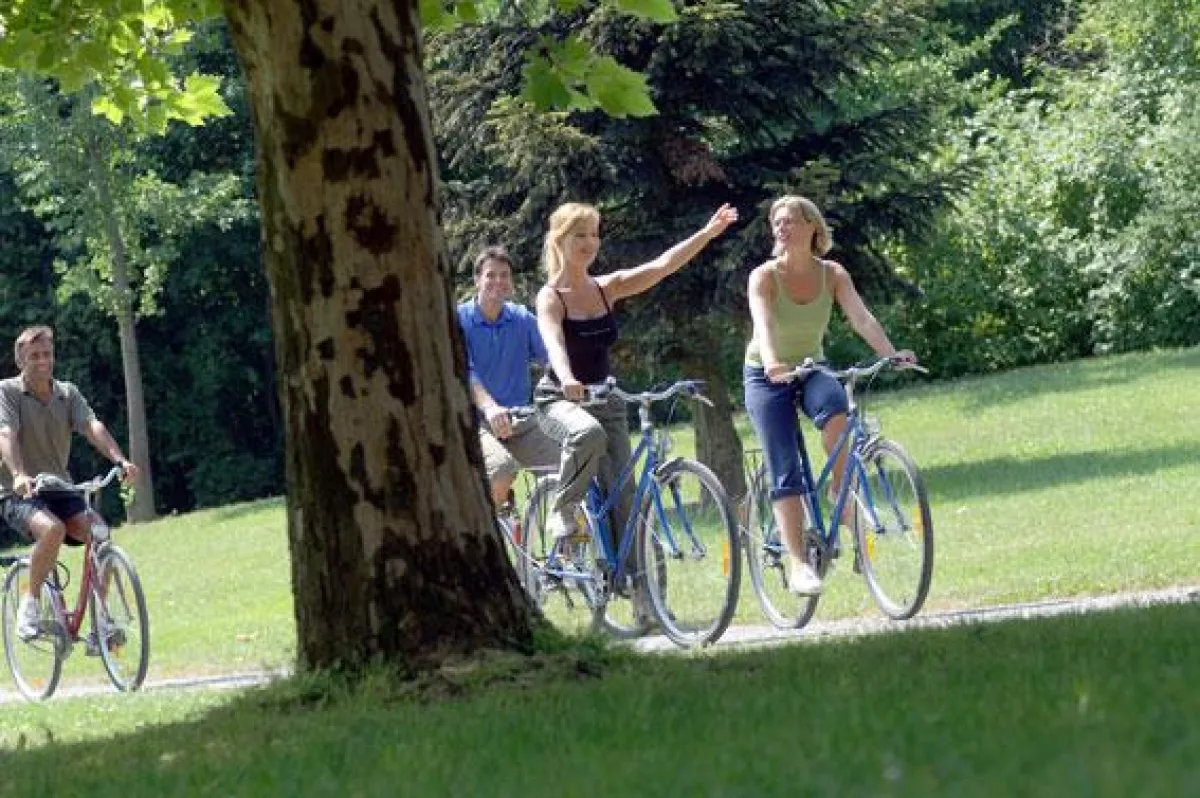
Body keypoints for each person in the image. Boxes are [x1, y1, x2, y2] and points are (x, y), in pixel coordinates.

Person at [534, 201, 738, 623]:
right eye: (579, 235)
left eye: (593, 234)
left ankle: (647, 602)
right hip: (559, 397)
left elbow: (662, 266)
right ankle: (563, 509)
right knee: (586, 435)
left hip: (605, 399)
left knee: (627, 498)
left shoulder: (606, 288)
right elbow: (553, 341)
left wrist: (706, 233)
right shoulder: (550, 296)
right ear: (560, 241)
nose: (589, 243)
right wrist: (568, 377)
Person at [743, 196, 916, 596]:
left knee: (837, 407)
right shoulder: (764, 277)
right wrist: (771, 363)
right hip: (765, 375)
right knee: (785, 468)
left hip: (809, 366)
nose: (781, 228)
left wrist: (890, 354)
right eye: (777, 222)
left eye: (789, 221)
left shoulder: (832, 274)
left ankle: (841, 491)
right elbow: (763, 326)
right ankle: (799, 563)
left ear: (812, 228)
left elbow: (860, 317)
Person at [0, 325, 139, 640]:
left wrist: (120, 460)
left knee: (101, 534)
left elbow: (92, 426)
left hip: (60, 487)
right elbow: (5, 434)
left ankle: (101, 622)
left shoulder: (67, 393)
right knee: (52, 530)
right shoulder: (8, 391)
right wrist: (19, 474)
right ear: (20, 360)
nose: (42, 361)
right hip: (18, 493)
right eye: (34, 355)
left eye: (47, 354)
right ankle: (30, 605)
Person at [456, 246, 559, 508]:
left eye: (505, 275)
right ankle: (485, 539)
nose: (498, 281)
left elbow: (551, 357)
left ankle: (566, 548)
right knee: (502, 469)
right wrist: (489, 407)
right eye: (491, 275)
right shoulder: (459, 320)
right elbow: (465, 371)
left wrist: (567, 381)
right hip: (477, 423)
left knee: (568, 471)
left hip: (521, 421)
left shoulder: (521, 318)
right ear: (477, 280)